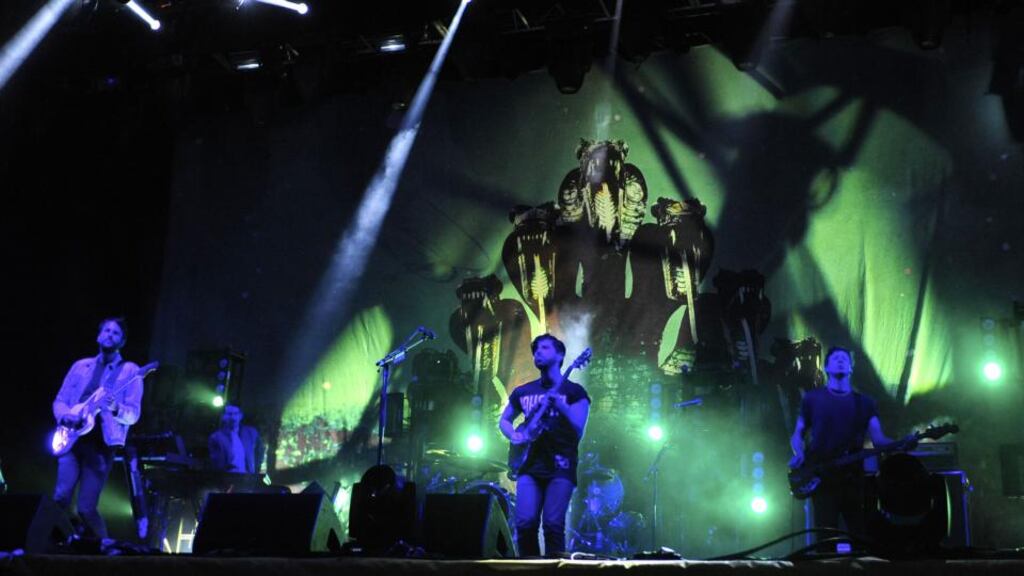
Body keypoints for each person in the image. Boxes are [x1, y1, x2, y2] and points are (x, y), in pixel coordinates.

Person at [499, 334, 590, 557]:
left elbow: (578, 428)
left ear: (560, 355)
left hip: (561, 466)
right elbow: (505, 420)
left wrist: (561, 404)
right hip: (529, 465)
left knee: (552, 524)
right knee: (525, 523)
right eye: (536, 350)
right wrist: (514, 436)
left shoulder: (575, 392)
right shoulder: (523, 391)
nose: (537, 352)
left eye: (544, 348)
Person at [52, 317, 143, 538]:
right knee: (60, 498)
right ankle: (53, 547)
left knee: (86, 508)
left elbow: (134, 414)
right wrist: (65, 417)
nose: (110, 335)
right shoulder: (80, 366)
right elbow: (60, 399)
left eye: (116, 333)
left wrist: (115, 408)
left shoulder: (130, 370)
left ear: (122, 341)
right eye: (107, 331)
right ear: (98, 335)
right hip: (71, 438)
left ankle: (105, 553)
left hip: (101, 444)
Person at [789, 346, 892, 538]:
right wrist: (799, 453)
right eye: (835, 358)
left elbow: (879, 439)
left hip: (853, 477)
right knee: (825, 534)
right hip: (822, 477)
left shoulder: (866, 403)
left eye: (844, 358)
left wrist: (906, 443)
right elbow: (798, 434)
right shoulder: (812, 399)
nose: (840, 360)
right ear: (826, 367)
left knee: (860, 533)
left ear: (851, 367)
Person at [208, 404, 264, 474]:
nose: (233, 418)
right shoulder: (216, 437)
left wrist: (255, 468)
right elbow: (217, 463)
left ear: (240, 416)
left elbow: (260, 451)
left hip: (248, 477)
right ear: (223, 417)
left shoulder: (251, 432)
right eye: (229, 414)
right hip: (227, 477)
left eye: (235, 414)